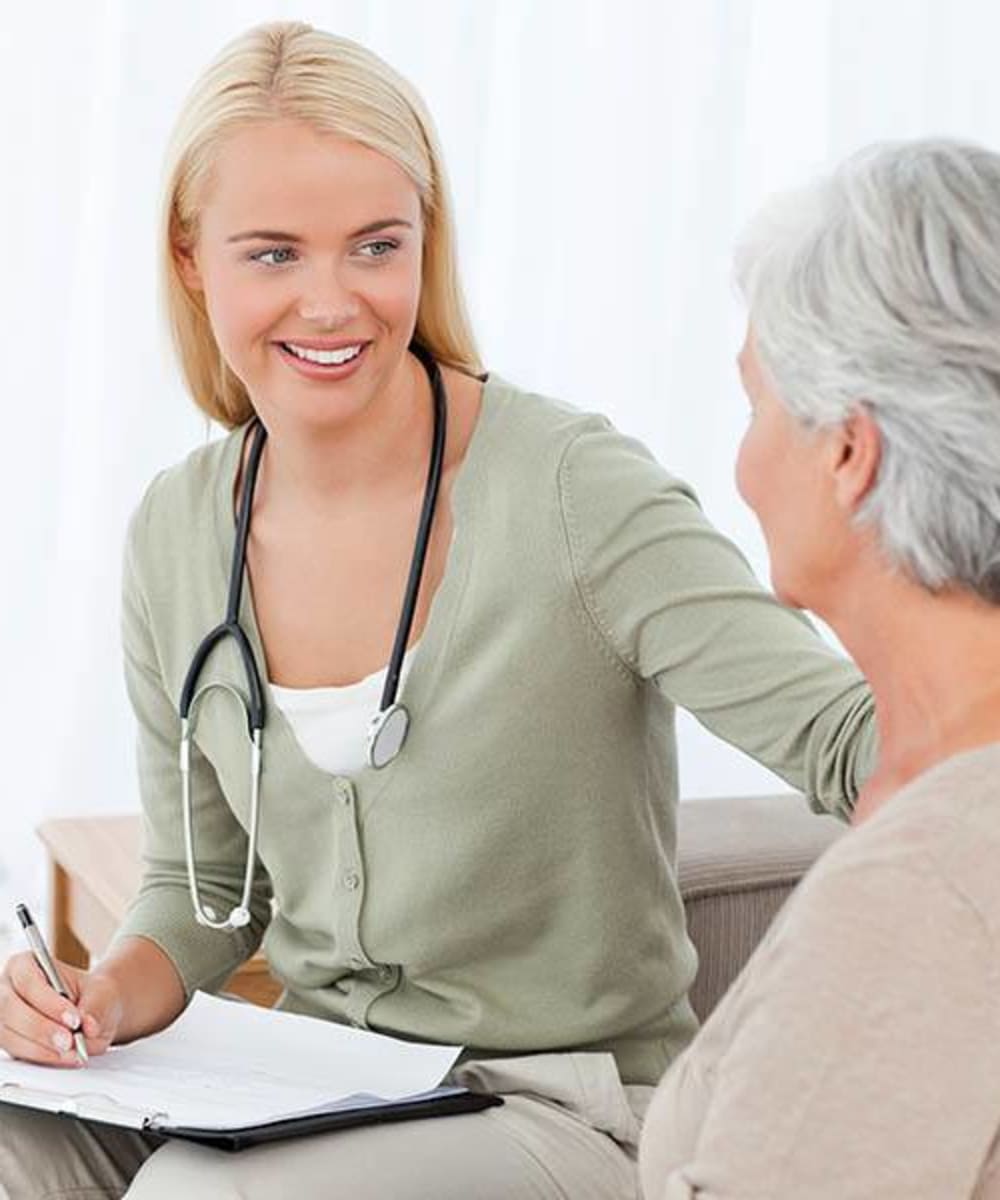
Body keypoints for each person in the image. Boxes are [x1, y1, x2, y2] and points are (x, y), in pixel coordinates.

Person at [0, 21, 875, 1200]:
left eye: (375, 245)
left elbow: (847, 740)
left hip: (568, 1113)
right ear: (190, 256)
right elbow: (201, 896)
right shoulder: (175, 533)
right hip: (311, 1093)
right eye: (273, 254)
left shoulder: (570, 490)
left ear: (426, 245)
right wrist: (97, 999)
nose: (331, 302)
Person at [639, 138, 1000, 1198]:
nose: (742, 465)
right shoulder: (927, 794)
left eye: (754, 407)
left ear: (849, 452)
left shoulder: (929, 886)